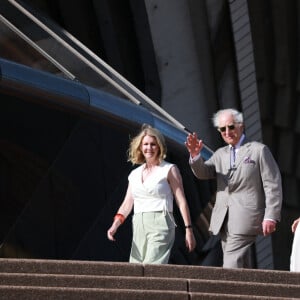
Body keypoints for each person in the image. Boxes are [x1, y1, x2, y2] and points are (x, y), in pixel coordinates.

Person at [185, 108, 282, 268]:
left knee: (231, 262)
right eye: (223, 129)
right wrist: (195, 156)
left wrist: (271, 215)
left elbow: (273, 184)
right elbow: (204, 172)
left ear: (241, 126)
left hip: (246, 215)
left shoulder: (258, 150)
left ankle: (225, 290)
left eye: (231, 127)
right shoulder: (220, 154)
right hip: (223, 217)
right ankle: (248, 291)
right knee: (241, 264)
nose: (227, 132)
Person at [107, 124, 196, 264]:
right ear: (140, 147)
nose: (149, 148)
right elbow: (127, 204)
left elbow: (181, 201)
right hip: (138, 224)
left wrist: (188, 230)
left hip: (161, 221)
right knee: (136, 269)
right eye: (146, 144)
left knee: (151, 267)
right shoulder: (134, 174)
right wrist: (115, 225)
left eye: (153, 144)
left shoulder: (169, 169)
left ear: (159, 146)